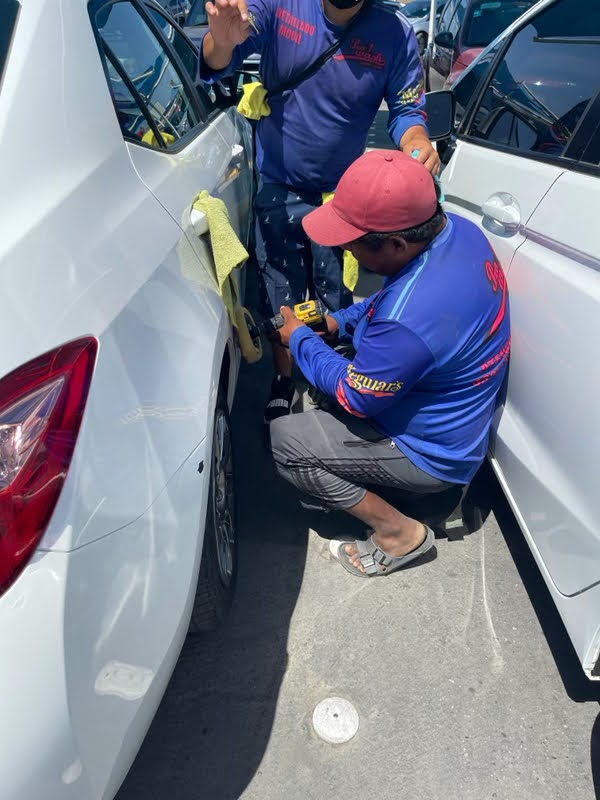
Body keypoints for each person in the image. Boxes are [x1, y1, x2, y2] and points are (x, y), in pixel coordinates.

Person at [270, 150, 511, 578]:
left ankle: (399, 533)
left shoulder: (410, 318)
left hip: (432, 453)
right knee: (336, 364)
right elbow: (388, 300)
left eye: (353, 242)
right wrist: (337, 323)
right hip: (453, 417)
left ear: (397, 243)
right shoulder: (459, 233)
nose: (344, 247)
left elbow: (356, 396)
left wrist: (300, 340)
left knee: (287, 442)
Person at [199, 0, 441, 423]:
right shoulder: (279, 5)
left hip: (342, 201)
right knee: (281, 292)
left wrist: (417, 140)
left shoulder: (394, 31)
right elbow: (218, 61)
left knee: (335, 299)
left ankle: (332, 382)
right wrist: (220, 42)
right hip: (278, 184)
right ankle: (284, 379)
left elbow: (407, 112)